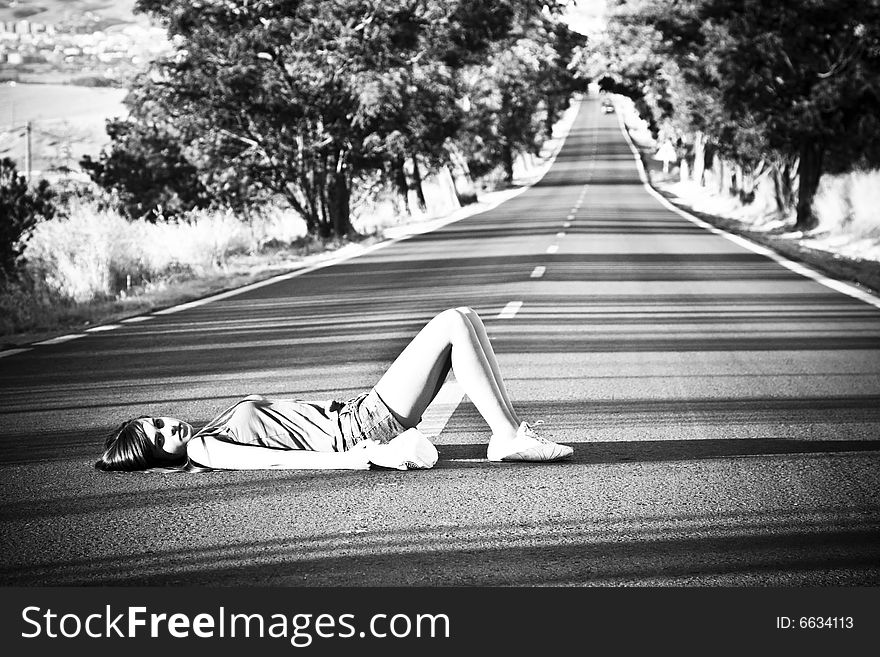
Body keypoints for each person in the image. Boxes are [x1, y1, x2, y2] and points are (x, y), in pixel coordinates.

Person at [95, 307, 574, 472]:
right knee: (451, 322)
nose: (167, 426)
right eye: (159, 438)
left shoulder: (211, 431)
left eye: (156, 421)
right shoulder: (205, 449)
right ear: (160, 458)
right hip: (362, 427)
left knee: (463, 319)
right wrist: (358, 457)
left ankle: (509, 433)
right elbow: (281, 460)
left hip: (362, 413)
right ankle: (507, 436)